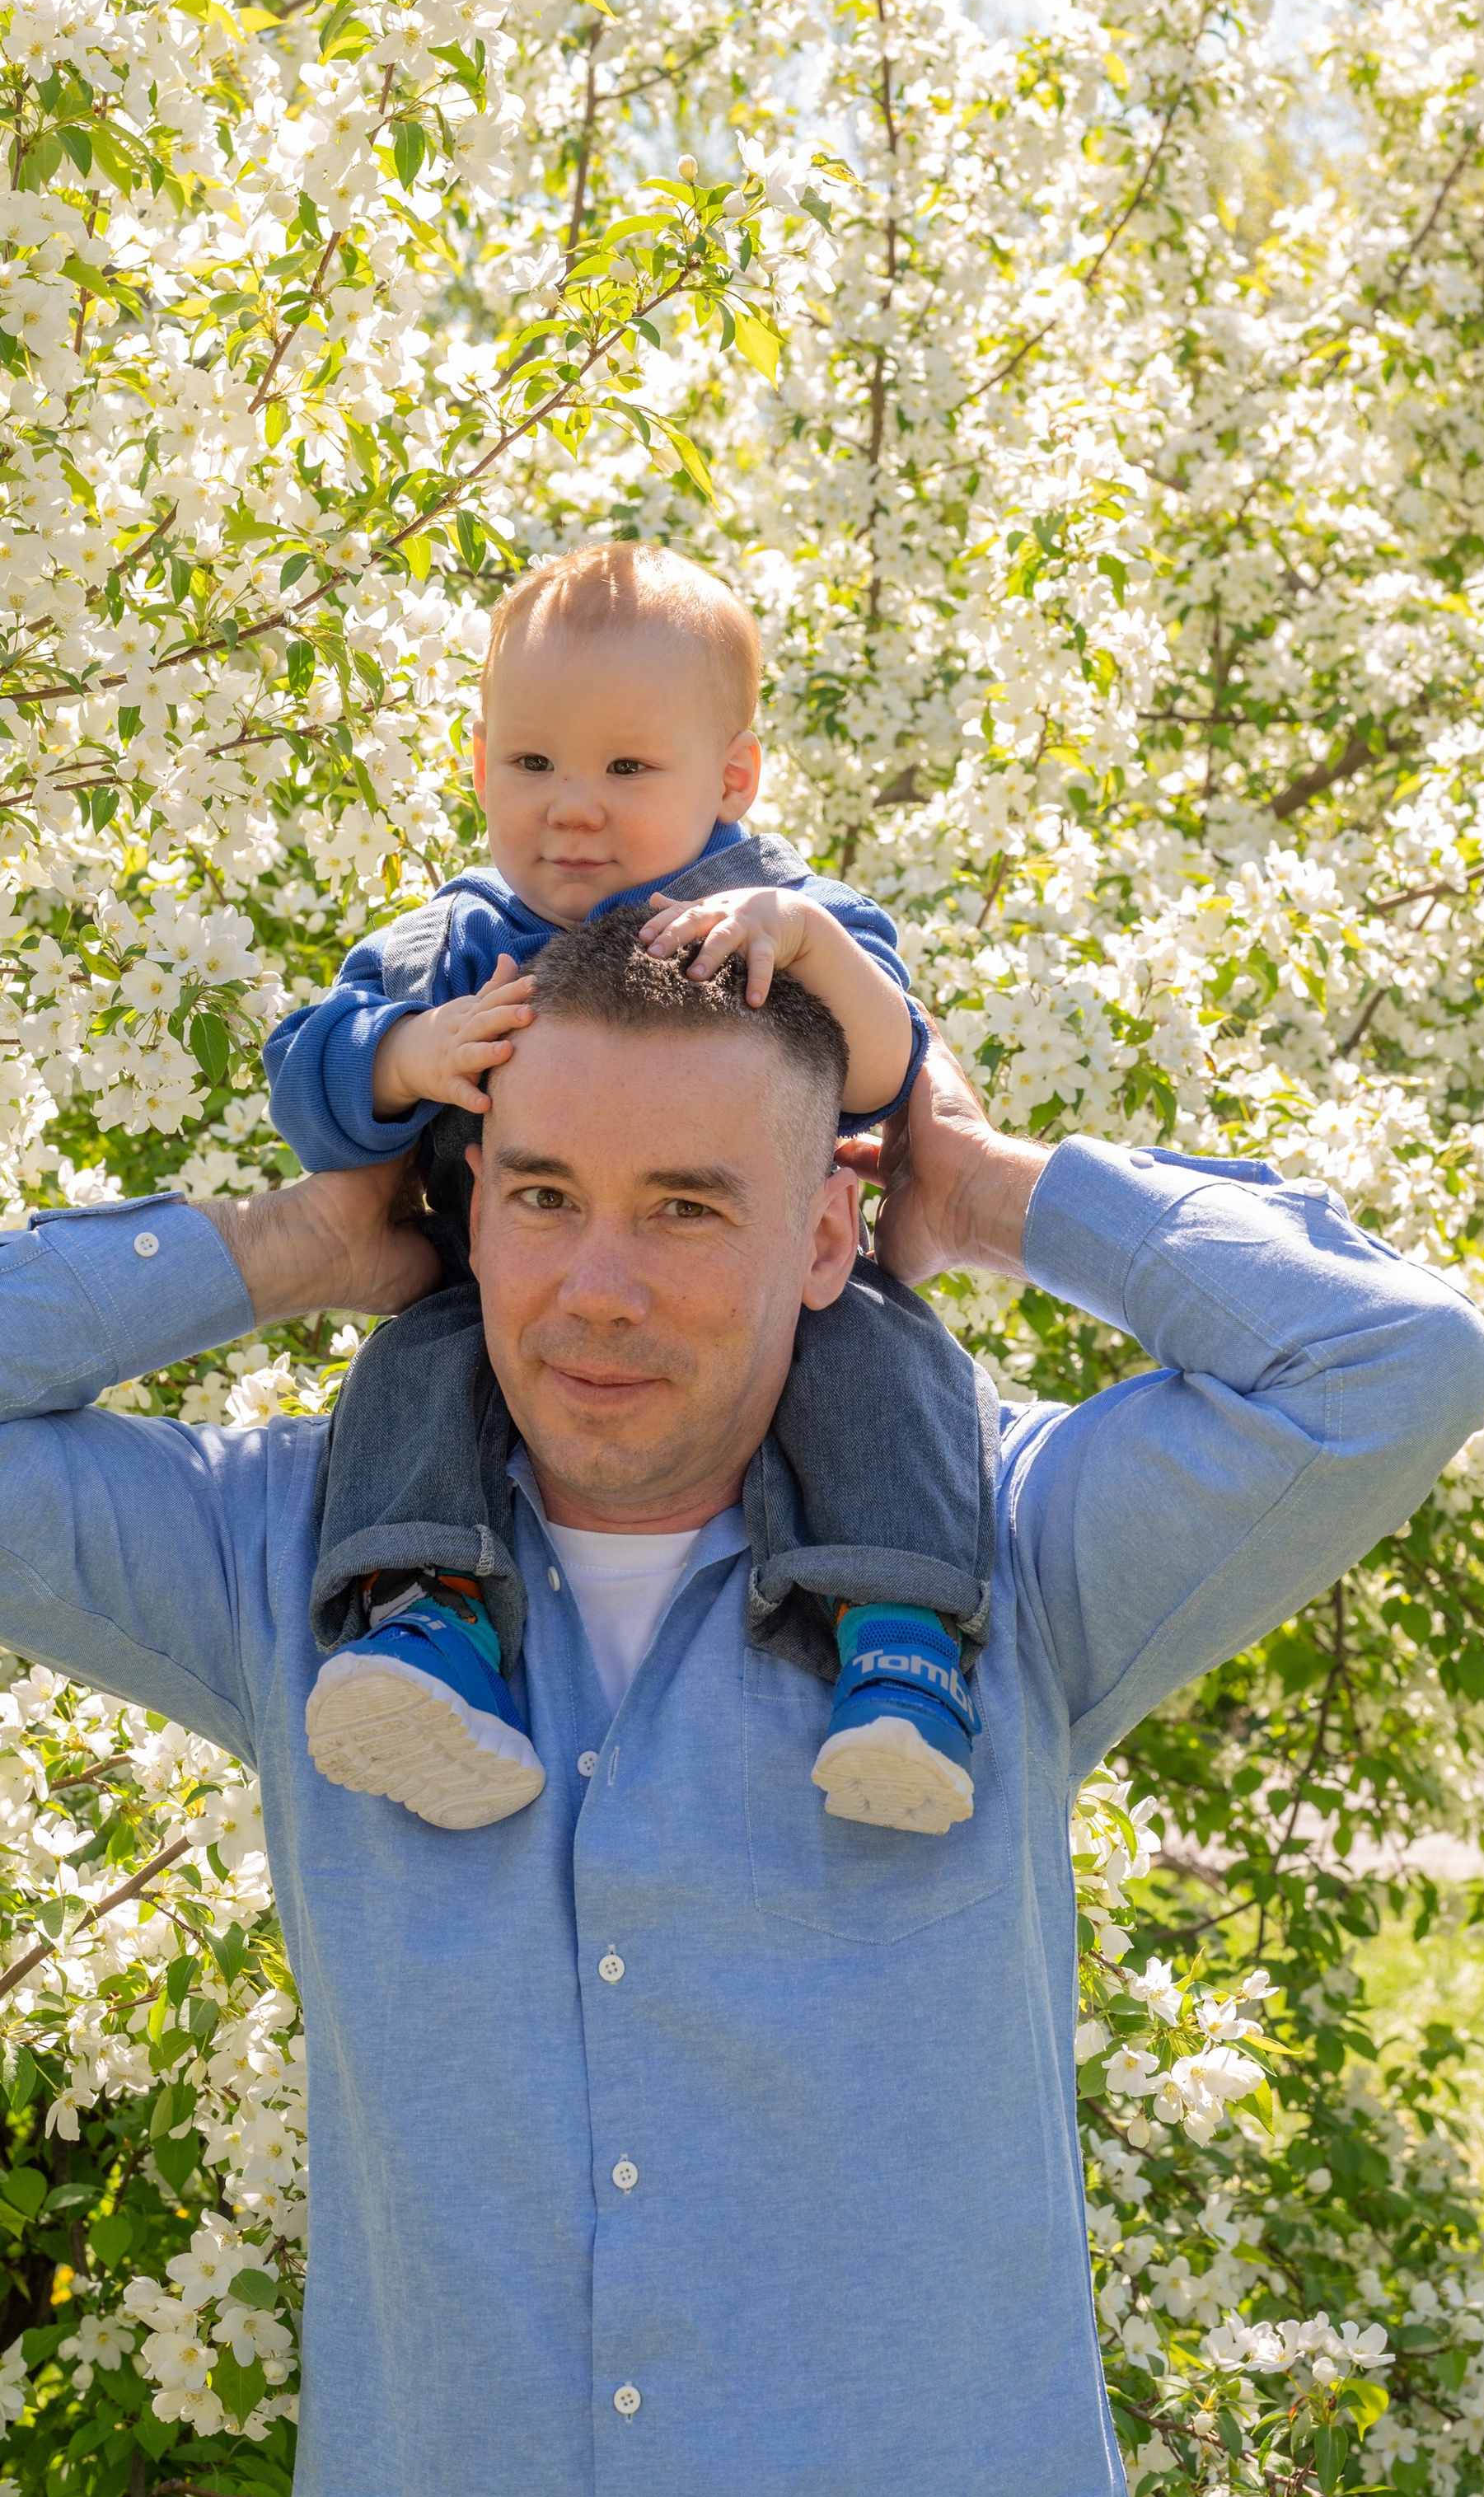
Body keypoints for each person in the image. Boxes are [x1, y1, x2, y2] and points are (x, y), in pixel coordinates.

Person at [0, 921, 1484, 2497]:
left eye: (686, 1207)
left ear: (828, 1238)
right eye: (543, 1196)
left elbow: (1391, 1360)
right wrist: (295, 1243)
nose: (596, 1291)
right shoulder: (293, 1555)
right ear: (471, 1211)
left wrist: (984, 1188)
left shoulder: (1009, 1545)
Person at [263, 541, 996, 1840]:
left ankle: (900, 1642)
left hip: (767, 1292)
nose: (573, 809)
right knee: (413, 1375)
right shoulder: (452, 944)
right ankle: (429, 1626)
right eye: (533, 763)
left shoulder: (781, 912)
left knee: (885, 1367)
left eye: (626, 769)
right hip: (503, 1285)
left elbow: (889, 1078)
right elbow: (305, 1084)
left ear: (733, 779)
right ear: (477, 763)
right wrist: (404, 1057)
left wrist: (811, 948)